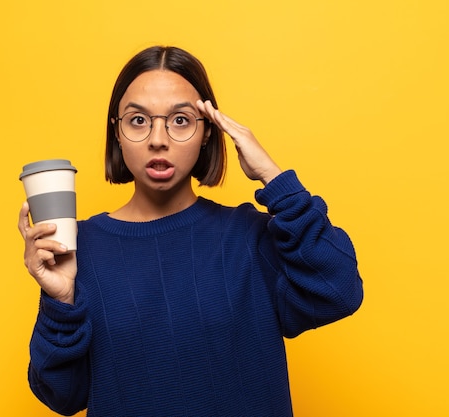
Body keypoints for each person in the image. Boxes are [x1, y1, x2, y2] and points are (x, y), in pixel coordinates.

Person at [18, 45, 363, 417]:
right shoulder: (77, 249)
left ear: (207, 134)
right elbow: (62, 396)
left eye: (180, 120)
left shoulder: (249, 237)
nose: (158, 139)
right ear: (116, 133)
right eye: (138, 121)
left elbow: (340, 291)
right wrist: (60, 302)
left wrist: (275, 179)